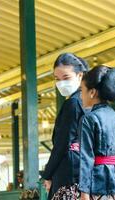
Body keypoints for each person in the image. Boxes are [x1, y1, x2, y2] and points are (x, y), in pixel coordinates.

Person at [42, 53, 89, 200]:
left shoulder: (73, 104)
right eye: (57, 79)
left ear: (80, 75)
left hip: (68, 172)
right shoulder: (87, 102)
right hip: (83, 170)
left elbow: (62, 143)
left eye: (66, 77)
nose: (61, 83)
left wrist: (47, 174)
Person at [79, 65, 115, 200]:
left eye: (82, 90)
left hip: (98, 184)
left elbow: (86, 158)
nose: (80, 95)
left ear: (92, 92)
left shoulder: (89, 119)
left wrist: (84, 192)